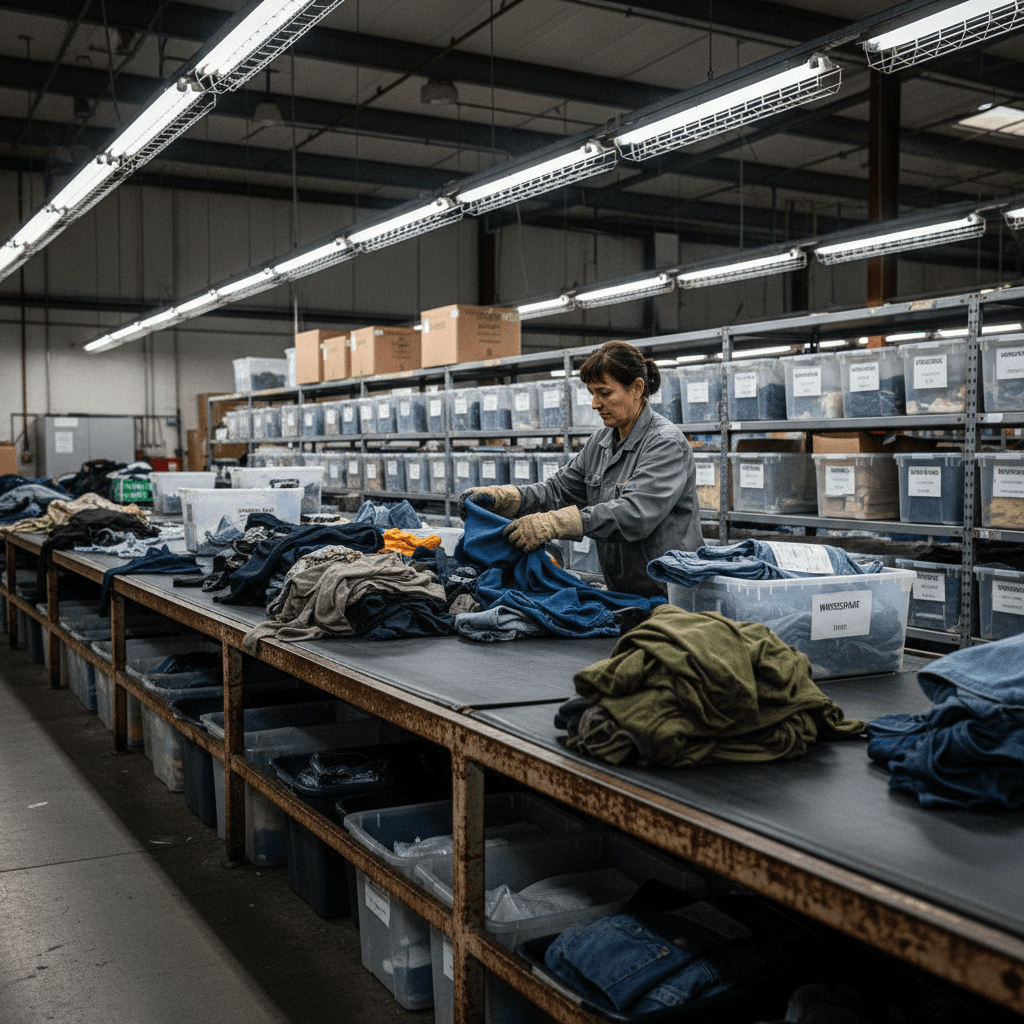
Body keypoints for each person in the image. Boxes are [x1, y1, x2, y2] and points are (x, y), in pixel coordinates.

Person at [458, 340, 703, 597]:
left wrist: (556, 524)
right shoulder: (601, 442)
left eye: (605, 393)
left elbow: (635, 514)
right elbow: (558, 490)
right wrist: (506, 498)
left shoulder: (665, 443)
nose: (595, 404)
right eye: (592, 393)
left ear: (636, 388)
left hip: (673, 595)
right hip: (625, 593)